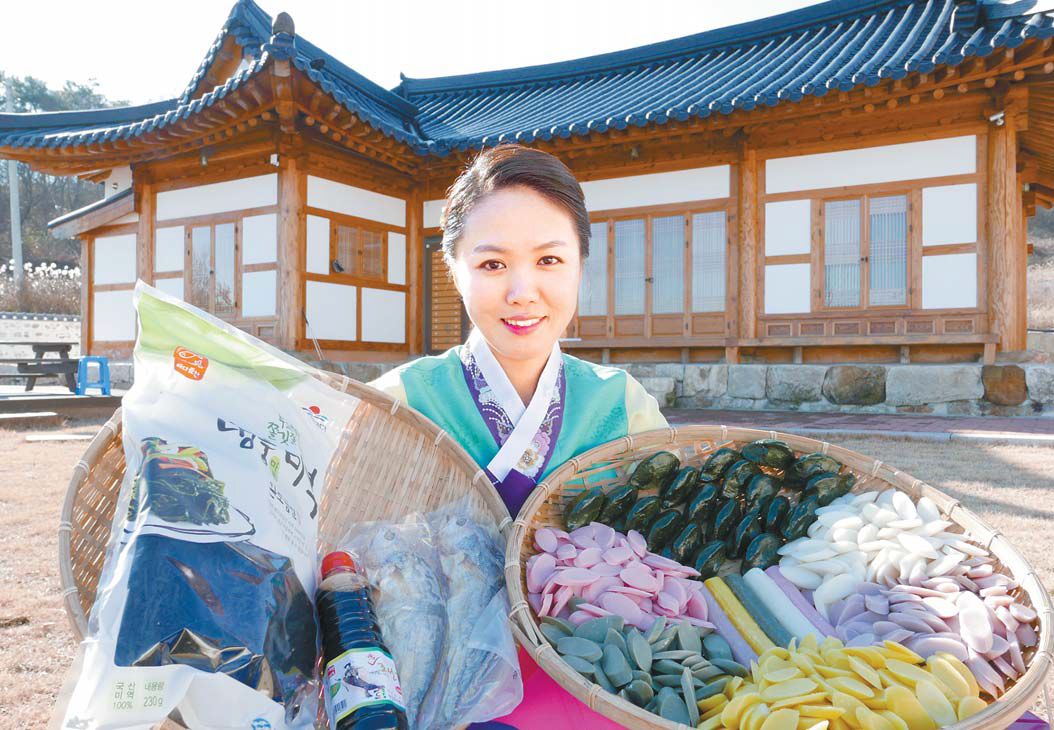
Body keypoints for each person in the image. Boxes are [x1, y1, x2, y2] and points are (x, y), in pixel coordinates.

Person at [370, 143, 667, 728]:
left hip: (595, 684)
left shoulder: (622, 403)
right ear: (453, 267)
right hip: (437, 690)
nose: (522, 292)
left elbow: (665, 557)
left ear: (582, 262)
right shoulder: (399, 401)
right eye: (492, 264)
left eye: (550, 261)